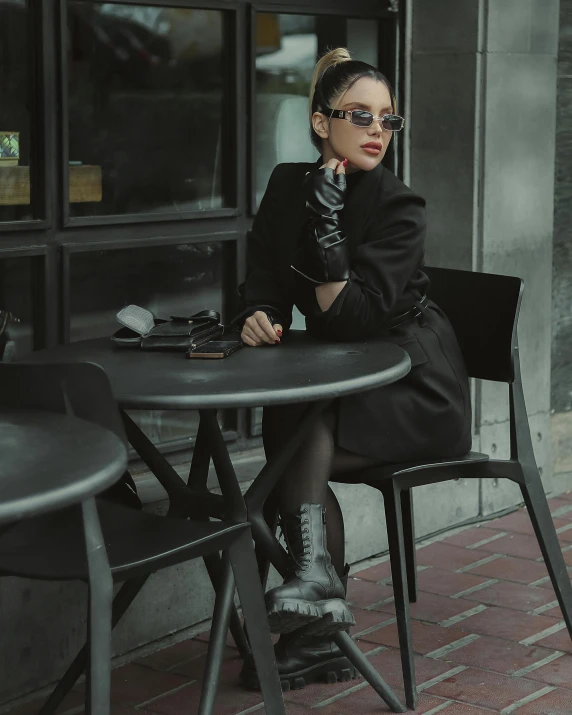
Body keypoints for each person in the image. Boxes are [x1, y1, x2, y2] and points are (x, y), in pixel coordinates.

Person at [238, 47, 472, 691]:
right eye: (359, 115)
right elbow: (261, 277)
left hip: (416, 384)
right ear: (321, 124)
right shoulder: (289, 185)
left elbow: (353, 318)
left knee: (300, 428)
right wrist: (257, 314)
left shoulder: (400, 205)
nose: (377, 130)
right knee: (296, 424)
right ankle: (315, 621)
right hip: (350, 373)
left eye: (388, 119)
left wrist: (327, 220)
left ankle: (313, 623)